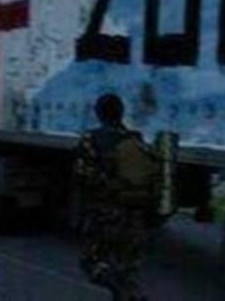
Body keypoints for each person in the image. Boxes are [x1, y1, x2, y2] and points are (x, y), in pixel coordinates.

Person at [74, 93, 158, 301]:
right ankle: (131, 294)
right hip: (135, 213)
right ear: (121, 113)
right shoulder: (136, 139)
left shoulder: (91, 139)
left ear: (98, 114)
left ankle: (120, 290)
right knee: (128, 264)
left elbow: (84, 175)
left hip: (105, 212)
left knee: (92, 261)